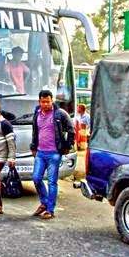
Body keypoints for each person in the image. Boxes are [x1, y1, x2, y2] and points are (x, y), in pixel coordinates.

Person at [30, 90, 75, 220]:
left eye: (48, 101)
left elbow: (71, 129)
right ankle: (44, 203)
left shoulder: (60, 114)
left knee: (52, 182)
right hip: (40, 153)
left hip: (54, 154)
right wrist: (33, 147)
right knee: (36, 178)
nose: (45, 104)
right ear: (39, 101)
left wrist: (68, 146)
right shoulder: (37, 113)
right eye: (43, 102)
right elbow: (35, 131)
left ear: (52, 101)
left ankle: (50, 209)